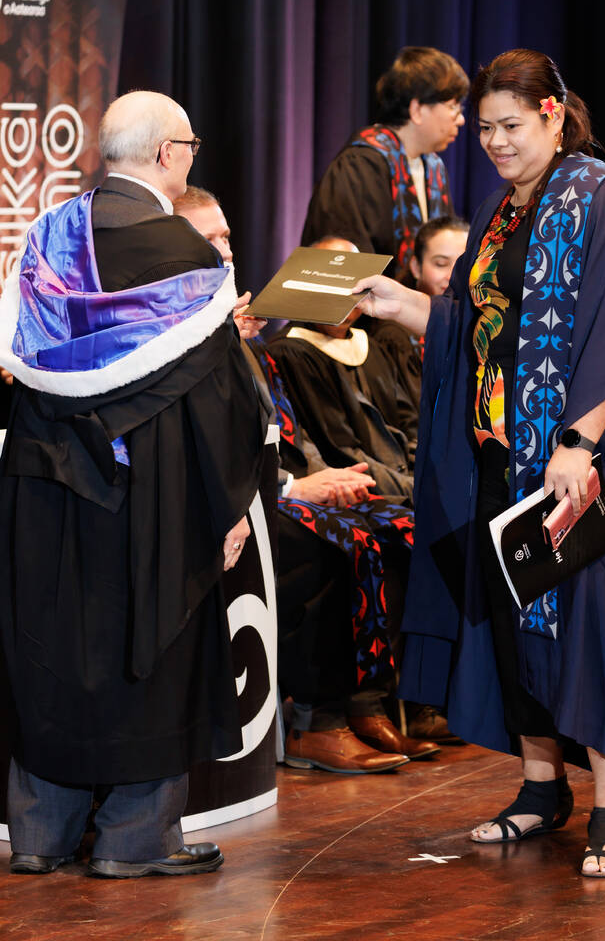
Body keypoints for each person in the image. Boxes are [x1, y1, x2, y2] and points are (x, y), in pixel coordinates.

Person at [353, 49, 605, 878]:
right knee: (514, 624)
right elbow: (476, 333)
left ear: (550, 114)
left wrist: (577, 444)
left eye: (509, 125)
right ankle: (541, 787)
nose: (494, 142)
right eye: (486, 129)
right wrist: (404, 307)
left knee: (595, 627)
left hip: (586, 465)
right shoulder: (502, 217)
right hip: (505, 457)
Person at [0, 91, 266, 877]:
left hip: (41, 482)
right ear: (164, 155)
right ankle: (134, 840)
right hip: (150, 494)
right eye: (189, 143)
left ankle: (41, 836)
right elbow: (217, 404)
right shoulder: (187, 258)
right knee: (151, 648)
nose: (193, 155)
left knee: (51, 650)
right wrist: (226, 506)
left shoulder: (46, 238)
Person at [174, 188, 438, 771]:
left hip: (269, 485)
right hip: (221, 501)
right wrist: (295, 487)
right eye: (207, 238)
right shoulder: (172, 327)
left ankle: (376, 698)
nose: (224, 250)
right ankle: (317, 721)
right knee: (338, 543)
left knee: (401, 530)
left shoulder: (236, 326)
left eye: (225, 237)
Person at [270, 238, 418, 501]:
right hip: (353, 490)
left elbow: (409, 423)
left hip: (407, 482)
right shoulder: (292, 352)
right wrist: (415, 490)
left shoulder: (371, 345)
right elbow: (340, 451)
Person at [301, 47, 469, 276]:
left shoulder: (434, 167)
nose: (460, 119)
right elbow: (343, 260)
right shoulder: (359, 166)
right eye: (452, 107)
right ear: (417, 109)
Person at [373, 214, 469, 416]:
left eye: (463, 264)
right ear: (416, 267)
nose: (453, 275)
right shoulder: (395, 336)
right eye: (441, 264)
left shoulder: (480, 322)